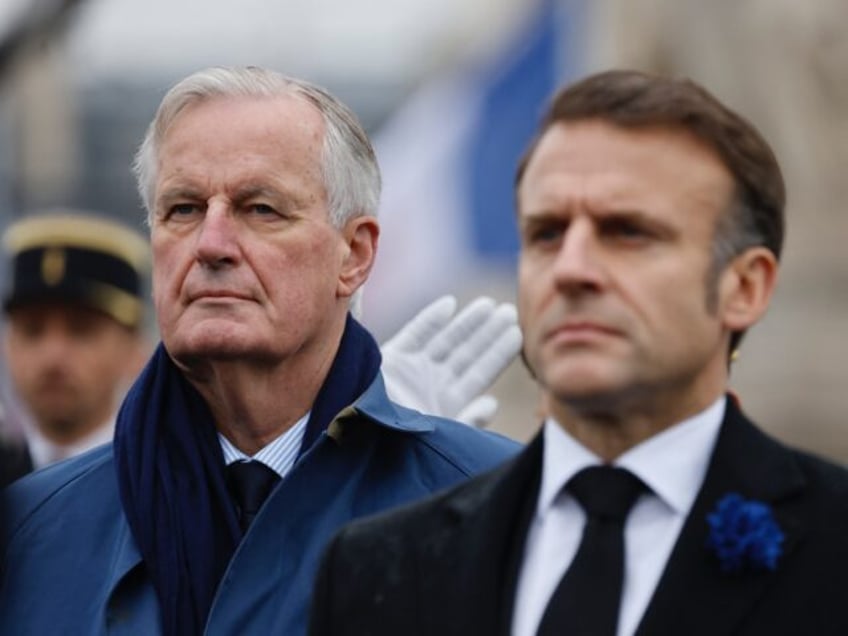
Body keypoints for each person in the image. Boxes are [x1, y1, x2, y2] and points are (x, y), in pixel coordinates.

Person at [308, 70, 848, 636]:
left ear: (744, 287)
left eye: (627, 232)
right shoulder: (378, 565)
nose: (571, 269)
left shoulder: (833, 539)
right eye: (546, 234)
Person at [0, 66, 519, 635]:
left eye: (260, 209)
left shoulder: (497, 505)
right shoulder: (30, 527)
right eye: (183, 210)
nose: (212, 245)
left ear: (354, 255)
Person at [0, 211, 151, 485]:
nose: (53, 355)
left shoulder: (160, 484)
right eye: (32, 331)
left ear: (135, 350)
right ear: (8, 346)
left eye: (81, 331)